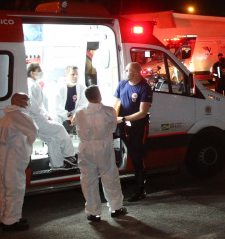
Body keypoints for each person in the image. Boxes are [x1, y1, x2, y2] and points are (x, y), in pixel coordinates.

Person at [72, 85, 128, 222]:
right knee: (109, 176)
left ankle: (93, 212)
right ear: (99, 95)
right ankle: (116, 207)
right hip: (103, 146)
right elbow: (113, 127)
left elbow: (75, 125)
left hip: (85, 147)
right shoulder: (109, 111)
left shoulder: (79, 112)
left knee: (88, 180)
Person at [0, 92, 39, 231]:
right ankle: (11, 221)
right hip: (12, 155)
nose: (28, 102)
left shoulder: (6, 116)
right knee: (15, 187)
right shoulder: (19, 115)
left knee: (3, 187)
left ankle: (4, 216)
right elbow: (33, 132)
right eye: (26, 99)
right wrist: (26, 148)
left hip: (1, 153)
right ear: (19, 101)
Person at [113, 62, 153, 202]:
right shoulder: (122, 84)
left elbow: (143, 113)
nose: (125, 72)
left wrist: (123, 119)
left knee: (137, 157)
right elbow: (116, 103)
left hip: (138, 127)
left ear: (136, 72)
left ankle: (140, 190)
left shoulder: (145, 88)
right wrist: (112, 118)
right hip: (122, 124)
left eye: (127, 70)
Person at [26, 63, 77, 170]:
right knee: (59, 129)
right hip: (37, 119)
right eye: (38, 70)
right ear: (32, 73)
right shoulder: (32, 85)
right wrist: (45, 116)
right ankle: (68, 155)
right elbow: (34, 105)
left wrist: (46, 115)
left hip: (36, 119)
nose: (41, 73)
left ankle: (57, 164)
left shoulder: (33, 84)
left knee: (52, 139)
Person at [55, 65, 88, 134]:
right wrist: (68, 114)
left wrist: (75, 114)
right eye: (73, 74)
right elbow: (55, 107)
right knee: (56, 122)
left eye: (77, 74)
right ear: (66, 75)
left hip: (75, 115)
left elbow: (83, 105)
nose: (75, 76)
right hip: (61, 115)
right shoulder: (59, 88)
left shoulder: (82, 88)